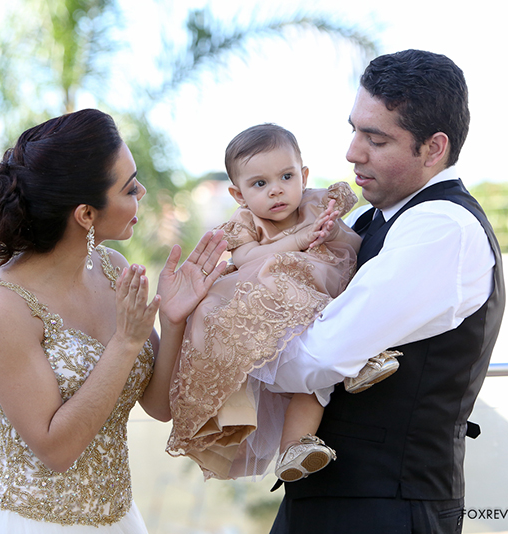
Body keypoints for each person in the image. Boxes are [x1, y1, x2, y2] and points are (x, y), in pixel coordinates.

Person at [0, 109, 227, 533]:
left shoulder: (113, 267)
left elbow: (159, 406)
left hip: (117, 519)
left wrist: (173, 321)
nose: (143, 192)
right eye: (130, 187)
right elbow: (55, 450)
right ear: (86, 215)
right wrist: (124, 344)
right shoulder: (2, 307)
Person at [267, 49, 506, 534]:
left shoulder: (443, 228)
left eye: (375, 139)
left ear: (433, 148)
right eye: (354, 129)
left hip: (389, 509)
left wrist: (232, 350)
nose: (353, 152)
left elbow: (319, 356)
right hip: (329, 502)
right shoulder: (366, 219)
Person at [166, 124, 398, 484]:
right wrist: (301, 239)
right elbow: (248, 260)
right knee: (305, 379)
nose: (276, 189)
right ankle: (298, 441)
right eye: (259, 184)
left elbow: (355, 248)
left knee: (326, 357)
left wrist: (332, 232)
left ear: (303, 175)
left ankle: (353, 370)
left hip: (324, 294)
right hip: (276, 312)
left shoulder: (319, 204)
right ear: (238, 194)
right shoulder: (245, 222)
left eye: (287, 176)